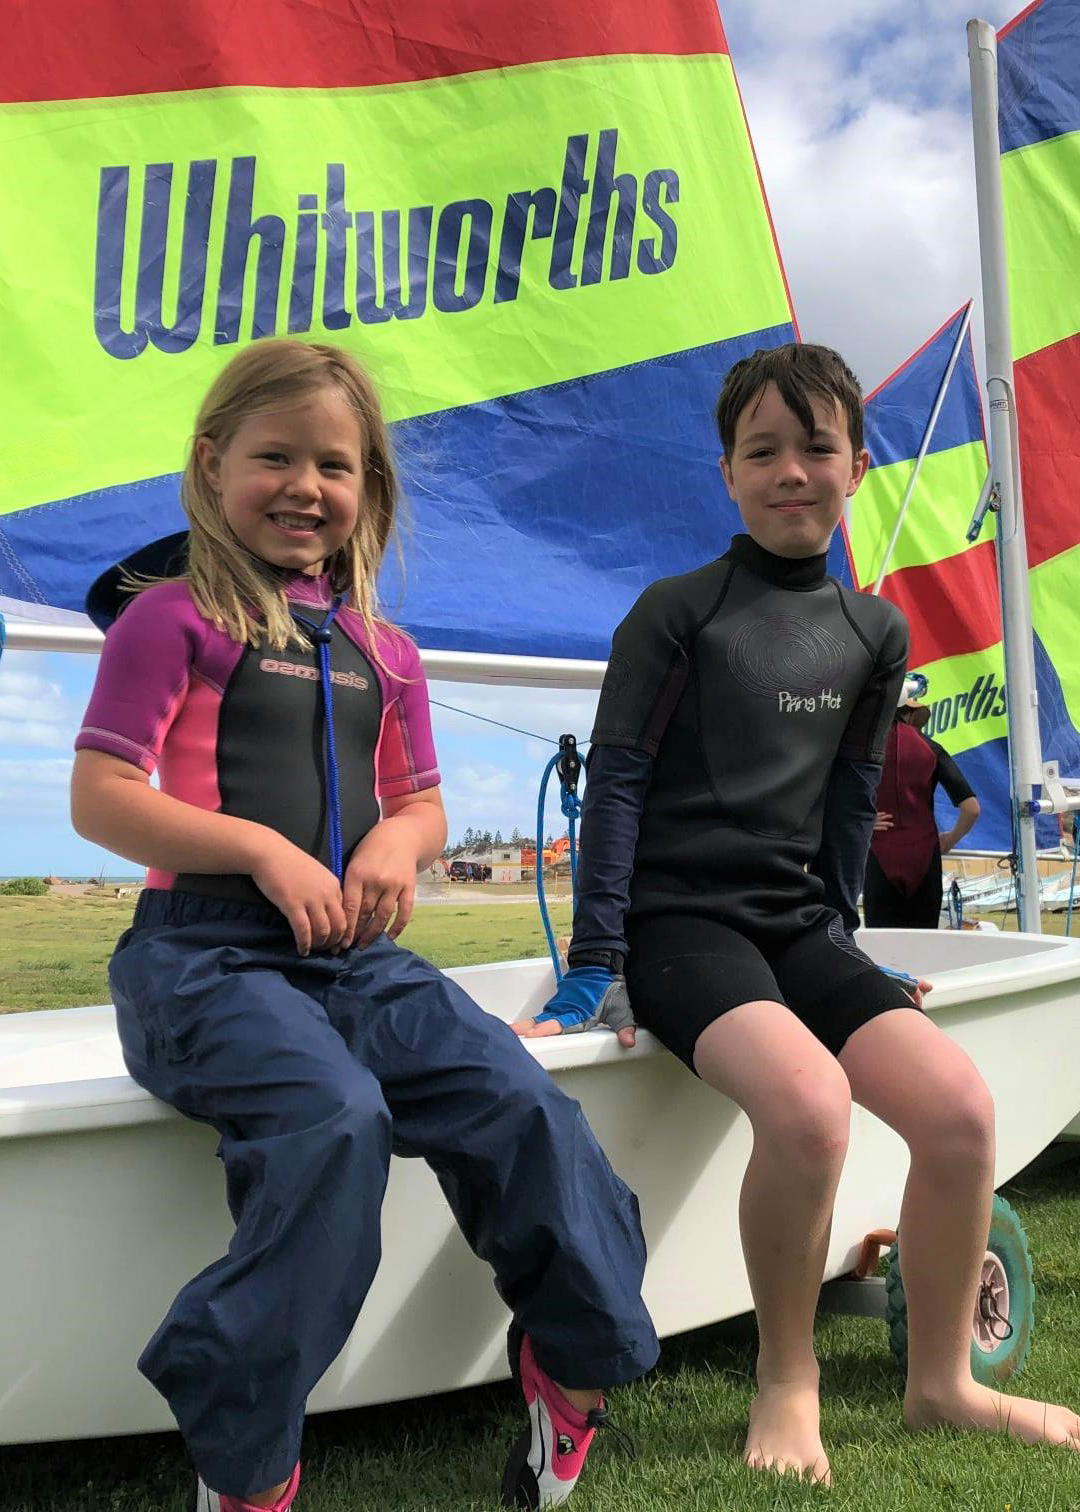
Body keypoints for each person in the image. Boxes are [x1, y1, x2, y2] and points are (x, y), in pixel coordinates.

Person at [70, 339, 658, 1512]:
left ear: (368, 492)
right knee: (335, 1120)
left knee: (524, 1105)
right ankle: (245, 1457)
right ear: (210, 463)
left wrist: (398, 842)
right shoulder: (169, 618)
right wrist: (263, 850)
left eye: (333, 465)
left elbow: (423, 802)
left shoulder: (387, 652)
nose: (303, 486)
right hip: (200, 957)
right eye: (273, 456)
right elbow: (103, 799)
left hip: (358, 960)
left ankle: (571, 1366)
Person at [514, 343, 1080, 1482]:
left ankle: (942, 1385)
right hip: (683, 929)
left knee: (962, 1111)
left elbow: (849, 800)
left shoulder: (875, 632)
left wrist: (852, 952)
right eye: (761, 450)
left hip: (798, 925)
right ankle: (787, 1377)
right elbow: (617, 783)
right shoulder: (675, 614)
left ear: (856, 466)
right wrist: (597, 959)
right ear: (725, 471)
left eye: (814, 447)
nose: (790, 471)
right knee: (814, 1109)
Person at [863, 695, 981, 928]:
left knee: (882, 947)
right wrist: (949, 839)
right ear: (911, 713)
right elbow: (972, 808)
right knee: (925, 942)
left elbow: (834, 794)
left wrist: (864, 819)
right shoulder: (931, 748)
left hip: (880, 854)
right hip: (924, 854)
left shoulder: (866, 749)